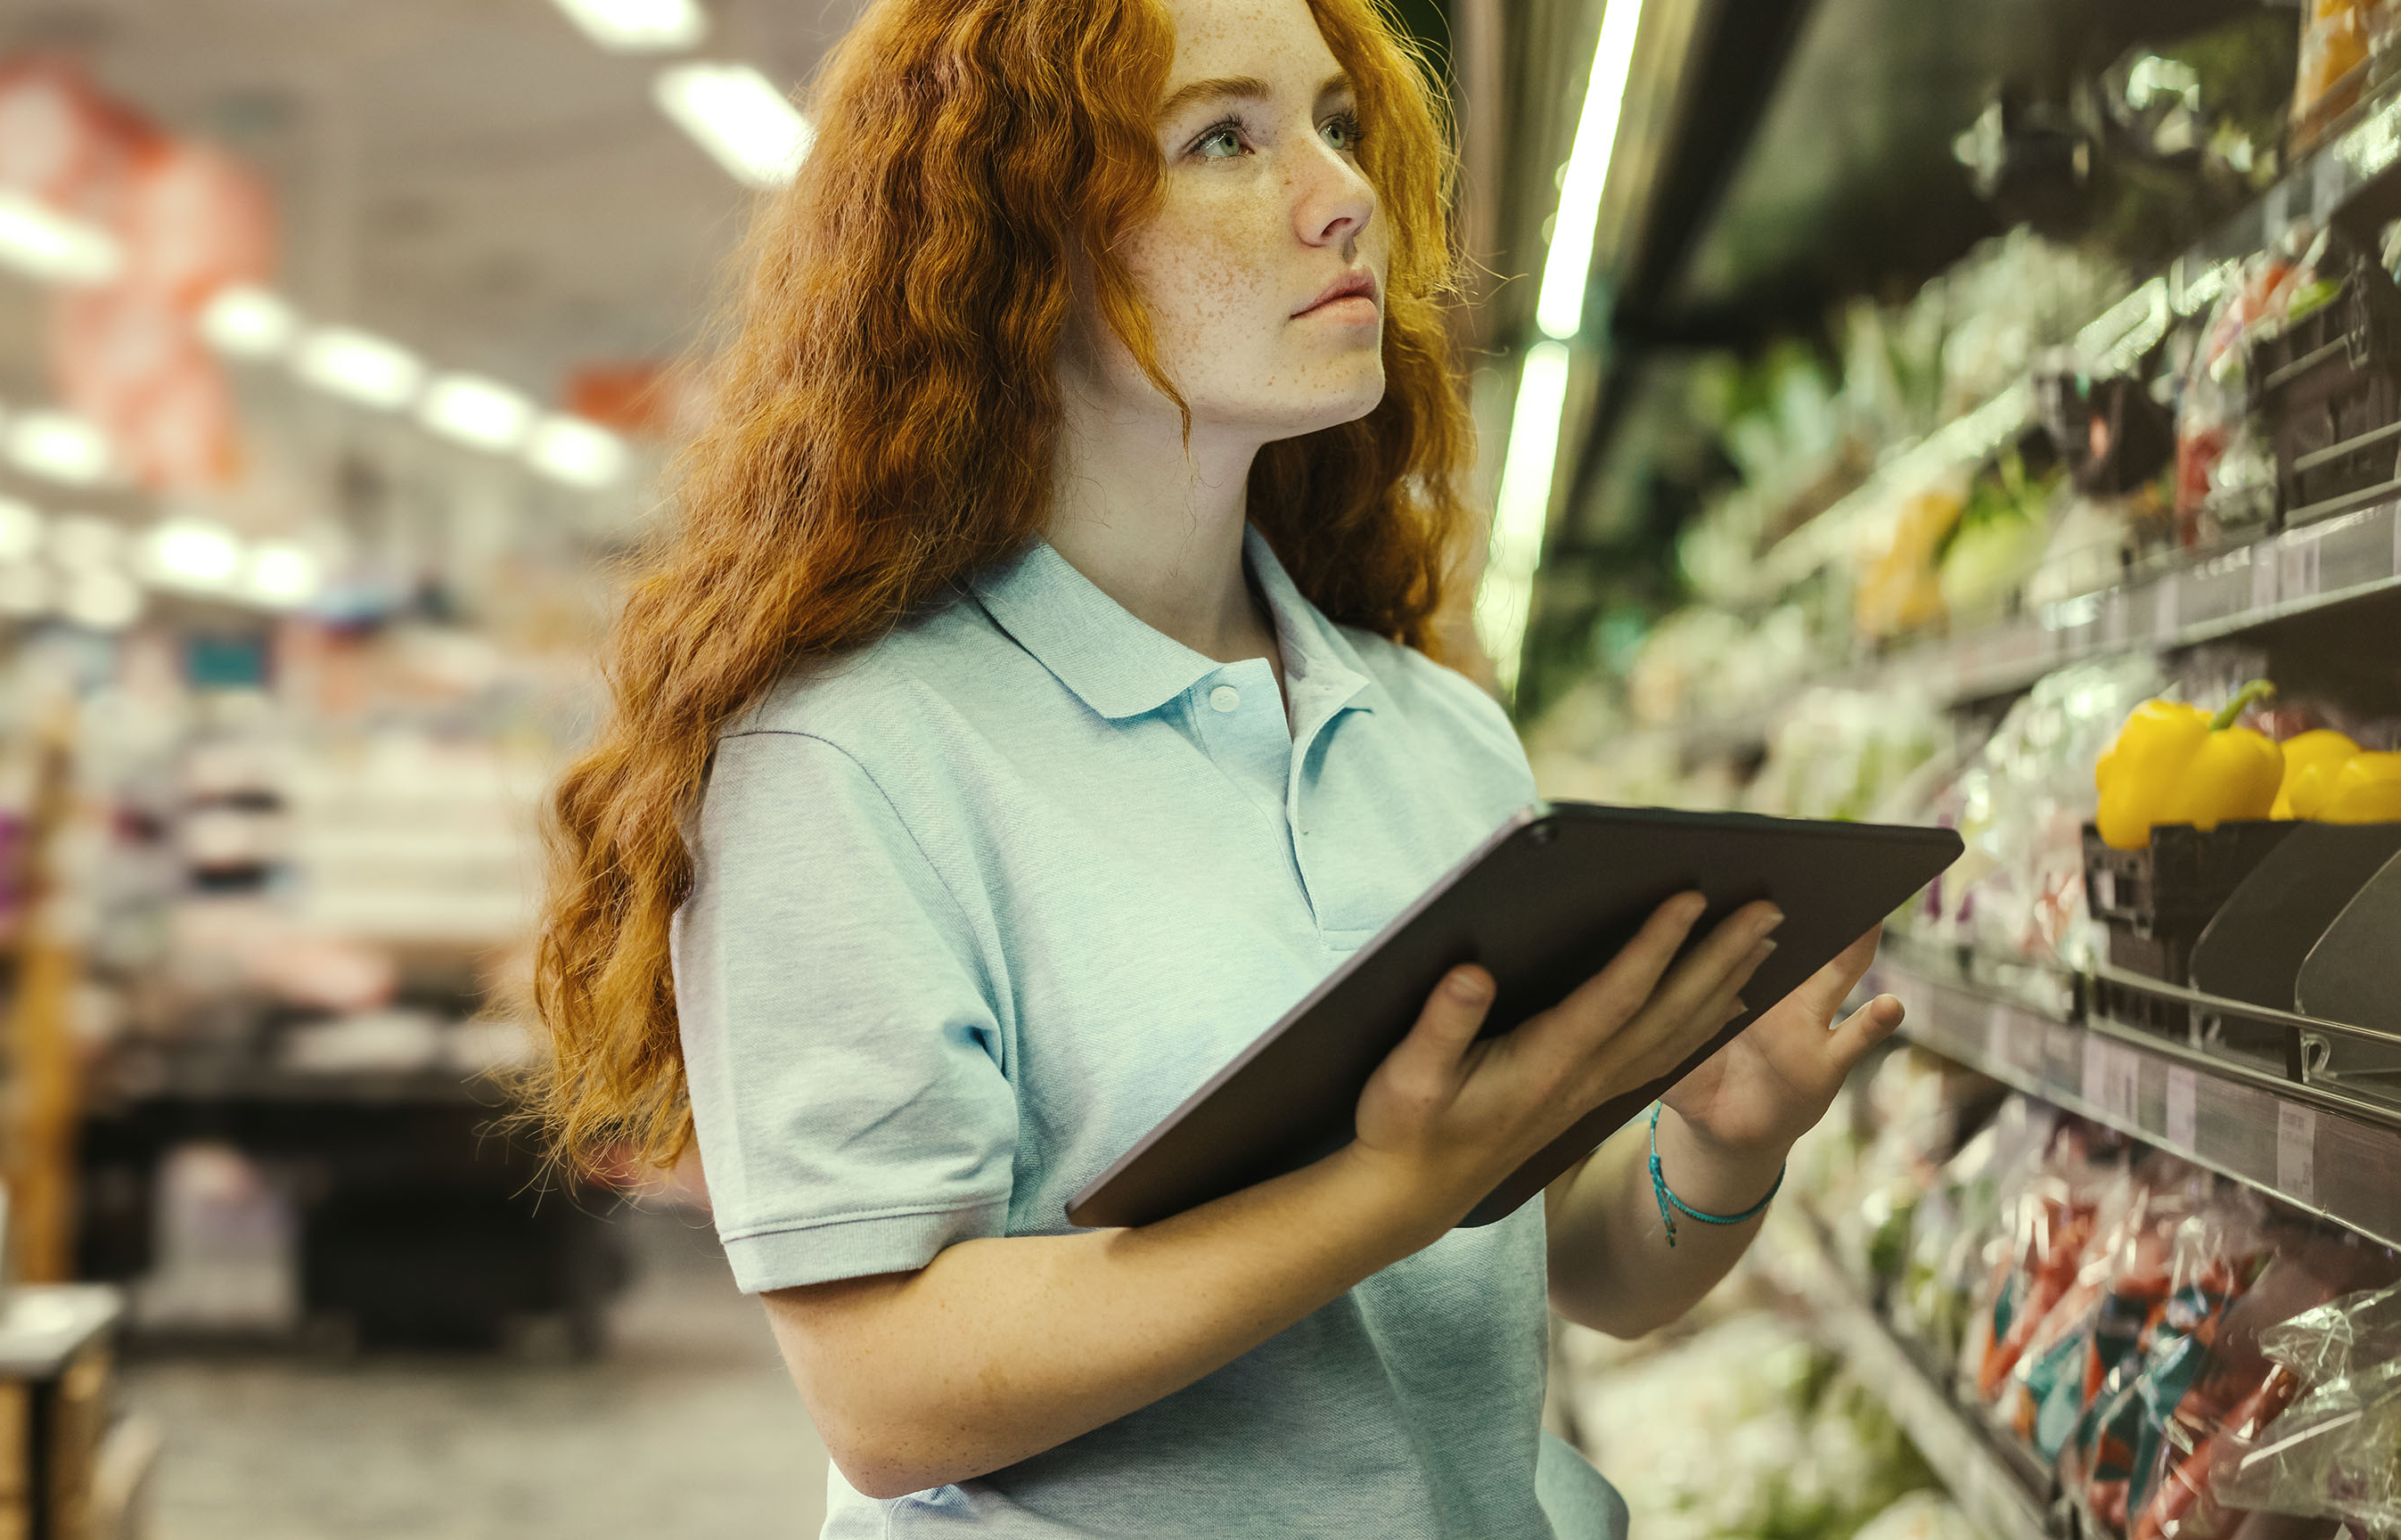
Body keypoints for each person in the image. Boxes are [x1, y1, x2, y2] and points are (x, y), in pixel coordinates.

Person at [528, 0, 1907, 1531]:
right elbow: (889, 1394)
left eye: (1333, 121)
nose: (1342, 195)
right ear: (1025, 248)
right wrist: (1379, 1193)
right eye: (1225, 139)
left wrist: (1715, 1142)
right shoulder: (854, 757)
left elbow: (1577, 1260)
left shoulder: (1433, 731)